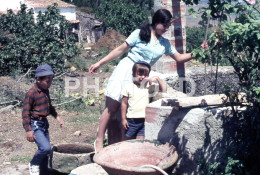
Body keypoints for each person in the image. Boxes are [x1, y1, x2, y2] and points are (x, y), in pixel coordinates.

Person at [89, 9, 208, 152]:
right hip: (126, 70)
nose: (166, 28)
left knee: (132, 110)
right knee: (112, 107)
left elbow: (180, 58)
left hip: (142, 78)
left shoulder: (164, 43)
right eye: (164, 25)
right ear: (157, 22)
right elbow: (120, 50)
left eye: (168, 26)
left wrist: (199, 51)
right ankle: (99, 141)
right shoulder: (139, 33)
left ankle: (124, 148)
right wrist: (99, 63)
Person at [22, 64, 64, 175]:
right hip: (35, 124)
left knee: (47, 151)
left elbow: (49, 106)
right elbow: (25, 113)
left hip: (44, 123)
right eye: (47, 81)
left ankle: (44, 172)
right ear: (38, 79)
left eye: (50, 81)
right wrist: (28, 130)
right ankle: (34, 163)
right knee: (45, 148)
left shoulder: (46, 91)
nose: (49, 84)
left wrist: (57, 116)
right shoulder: (31, 93)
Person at [121, 61, 166, 140]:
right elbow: (124, 104)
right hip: (131, 121)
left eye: (146, 75)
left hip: (144, 120)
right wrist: (123, 119)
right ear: (133, 74)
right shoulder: (128, 87)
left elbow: (163, 90)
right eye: (140, 74)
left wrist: (157, 79)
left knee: (140, 142)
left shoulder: (148, 87)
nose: (142, 77)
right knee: (126, 141)